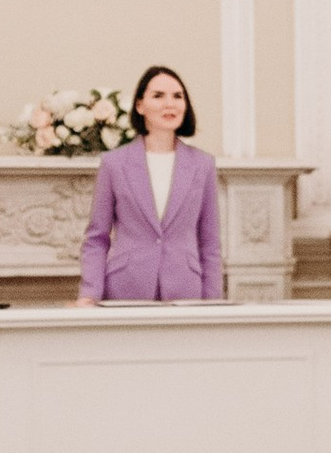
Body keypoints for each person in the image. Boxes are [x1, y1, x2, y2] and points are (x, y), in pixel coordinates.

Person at [78, 64, 224, 302]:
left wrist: (213, 301)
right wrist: (89, 294)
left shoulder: (203, 164)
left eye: (177, 96)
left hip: (186, 291)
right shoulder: (114, 163)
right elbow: (97, 239)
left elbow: (210, 243)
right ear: (140, 105)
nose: (170, 104)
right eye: (158, 96)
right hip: (125, 289)